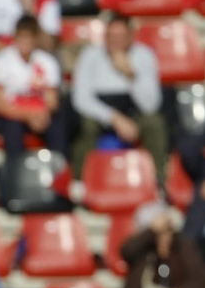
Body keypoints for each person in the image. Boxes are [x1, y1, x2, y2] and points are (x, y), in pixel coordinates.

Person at [70, 13, 166, 177]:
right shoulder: (90, 55)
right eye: (111, 36)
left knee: (155, 124)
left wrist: (131, 75)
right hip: (101, 113)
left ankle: (157, 183)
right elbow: (81, 99)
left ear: (130, 36)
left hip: (134, 112)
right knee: (86, 127)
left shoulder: (144, 56)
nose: (115, 42)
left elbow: (151, 104)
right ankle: (79, 182)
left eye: (120, 37)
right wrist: (115, 119)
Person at [0, 16, 66, 155]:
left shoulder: (47, 61)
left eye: (29, 37)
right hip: (11, 116)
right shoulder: (1, 60)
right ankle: (15, 173)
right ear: (15, 37)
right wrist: (28, 116)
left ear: (36, 38)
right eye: (22, 37)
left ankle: (59, 170)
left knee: (58, 129)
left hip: (41, 114)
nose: (26, 42)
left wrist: (42, 115)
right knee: (12, 130)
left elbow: (52, 101)